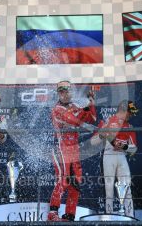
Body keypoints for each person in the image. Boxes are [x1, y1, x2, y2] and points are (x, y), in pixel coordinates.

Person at [48, 81, 97, 221]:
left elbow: (92, 118)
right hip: (60, 148)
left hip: (73, 150)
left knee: (75, 184)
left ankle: (69, 216)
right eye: (61, 91)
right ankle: (53, 213)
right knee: (63, 180)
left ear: (71, 92)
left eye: (67, 91)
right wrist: (85, 113)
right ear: (58, 93)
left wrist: (91, 103)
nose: (65, 94)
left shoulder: (74, 106)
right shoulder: (57, 108)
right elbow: (74, 120)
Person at [91, 100, 138, 218]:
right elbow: (93, 142)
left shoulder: (129, 126)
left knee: (126, 188)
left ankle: (130, 216)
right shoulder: (108, 121)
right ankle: (108, 216)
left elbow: (134, 149)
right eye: (129, 112)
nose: (131, 115)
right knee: (109, 188)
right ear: (122, 110)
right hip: (108, 154)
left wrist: (121, 146)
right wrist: (101, 134)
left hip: (121, 156)